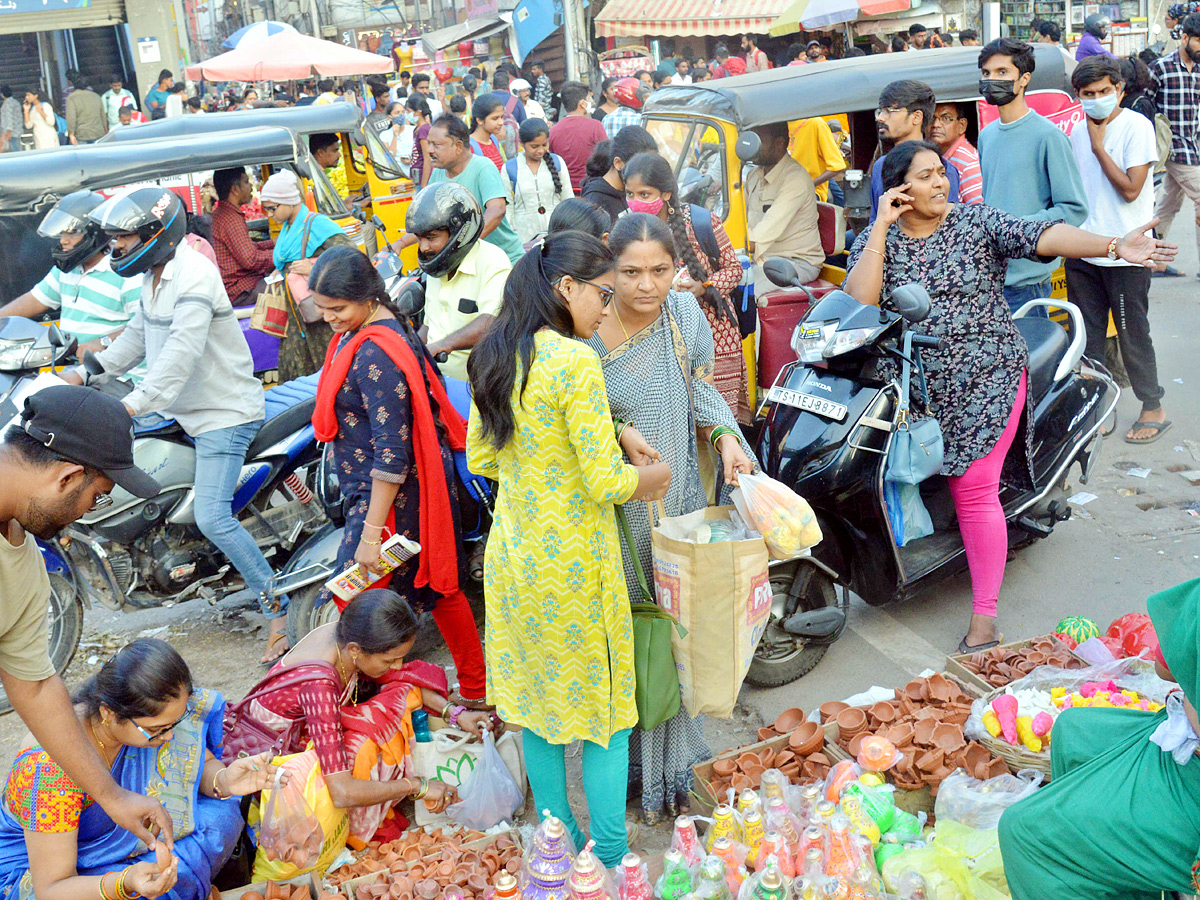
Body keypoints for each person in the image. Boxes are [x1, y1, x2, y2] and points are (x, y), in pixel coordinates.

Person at [843, 141, 1173, 651]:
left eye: (941, 173)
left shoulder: (974, 223)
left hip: (988, 373)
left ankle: (985, 616)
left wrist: (1113, 246)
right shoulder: (878, 237)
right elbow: (859, 301)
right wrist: (881, 229)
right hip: (918, 385)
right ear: (898, 189)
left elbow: (1043, 234)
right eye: (925, 176)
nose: (940, 183)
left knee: (971, 487)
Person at [467, 229, 671, 863]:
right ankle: (608, 856)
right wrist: (653, 478)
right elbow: (607, 482)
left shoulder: (497, 353)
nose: (607, 309)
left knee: (540, 714)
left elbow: (483, 456)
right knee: (608, 719)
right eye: (603, 294)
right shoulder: (574, 359)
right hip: (577, 564)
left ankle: (557, 848)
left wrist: (602, 430)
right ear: (566, 288)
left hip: (515, 559)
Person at [64, 188, 292, 664]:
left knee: (212, 515)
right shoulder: (155, 276)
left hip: (223, 414)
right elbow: (138, 336)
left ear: (155, 235)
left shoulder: (194, 275)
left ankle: (278, 611)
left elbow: (178, 359)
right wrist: (92, 368)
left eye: (123, 239)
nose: (116, 249)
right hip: (181, 412)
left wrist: (129, 405)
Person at [585, 213, 755, 822]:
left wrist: (728, 435)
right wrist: (618, 430)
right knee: (633, 643)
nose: (647, 286)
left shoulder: (684, 318)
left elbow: (702, 390)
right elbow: (570, 422)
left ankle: (675, 769)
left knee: (677, 639)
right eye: (631, 272)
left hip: (679, 506)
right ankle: (631, 770)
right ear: (610, 267)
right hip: (614, 519)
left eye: (660, 270)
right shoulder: (587, 334)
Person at [0, 385, 177, 854]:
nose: (85, 514)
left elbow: (34, 684)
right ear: (67, 476)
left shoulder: (22, 558)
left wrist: (110, 794)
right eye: (96, 497)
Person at [307, 249, 488, 698]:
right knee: (441, 589)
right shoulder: (382, 327)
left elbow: (392, 454)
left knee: (355, 603)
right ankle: (476, 690)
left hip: (392, 500)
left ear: (367, 298)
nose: (327, 318)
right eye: (322, 308)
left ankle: (371, 705)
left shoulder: (376, 353)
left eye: (337, 309)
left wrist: (371, 535)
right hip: (404, 493)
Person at [0, 638, 274, 900]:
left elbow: (198, 764)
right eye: (156, 731)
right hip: (52, 871)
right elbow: (52, 889)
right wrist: (125, 882)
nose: (167, 738)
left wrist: (225, 781)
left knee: (221, 816)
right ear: (108, 713)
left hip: (129, 843)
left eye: (174, 725)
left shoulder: (157, 715)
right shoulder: (48, 770)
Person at [998, 577, 1200, 900]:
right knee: (1071, 732)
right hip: (1183, 739)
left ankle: (1065, 856)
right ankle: (1106, 873)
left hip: (1191, 783)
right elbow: (1170, 661)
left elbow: (1167, 666)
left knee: (1021, 833)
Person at [235, 590, 491, 843]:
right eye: (391, 659)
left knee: (400, 692)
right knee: (368, 739)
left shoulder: (346, 635)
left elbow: (401, 680)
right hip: (271, 770)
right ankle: (358, 829)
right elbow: (343, 791)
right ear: (356, 650)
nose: (398, 666)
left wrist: (454, 714)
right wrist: (418, 786)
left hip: (306, 729)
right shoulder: (320, 685)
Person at [1067, 57, 1169, 444]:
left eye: (1104, 92)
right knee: (1088, 336)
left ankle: (1153, 405)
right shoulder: (1076, 132)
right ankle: (1101, 405)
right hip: (1084, 249)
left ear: (1120, 90)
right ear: (1077, 96)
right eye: (1088, 94)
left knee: (1132, 333)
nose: (1096, 100)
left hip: (1129, 252)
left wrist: (1098, 148)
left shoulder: (1136, 127)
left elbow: (1130, 188)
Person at [621, 153, 748, 424]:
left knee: (716, 418)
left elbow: (734, 270)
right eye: (630, 194)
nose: (636, 202)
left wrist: (704, 287)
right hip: (657, 335)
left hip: (716, 333)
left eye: (645, 194)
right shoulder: (629, 229)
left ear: (666, 194)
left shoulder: (702, 222)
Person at [978, 38, 1089, 312]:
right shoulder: (986, 135)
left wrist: (1020, 229)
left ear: (1024, 78)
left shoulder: (1048, 136)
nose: (992, 79)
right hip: (991, 280)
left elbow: (1073, 209)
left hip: (1029, 282)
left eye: (1002, 72)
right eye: (986, 73)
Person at [0, 191, 144, 366]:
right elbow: (33, 300)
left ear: (94, 233)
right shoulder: (65, 271)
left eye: (72, 233)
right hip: (73, 367)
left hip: (116, 374)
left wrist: (104, 342)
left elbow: (143, 327)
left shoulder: (125, 273)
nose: (63, 241)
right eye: (62, 234)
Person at [407, 183, 512, 381]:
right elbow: (430, 326)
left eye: (431, 237)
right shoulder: (436, 268)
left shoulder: (493, 261)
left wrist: (443, 345)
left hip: (478, 386)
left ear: (459, 232)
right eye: (419, 238)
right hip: (438, 382)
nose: (424, 247)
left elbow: (491, 322)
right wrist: (411, 349)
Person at [259, 170, 352, 378]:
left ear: (289, 202)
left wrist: (313, 268)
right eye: (266, 209)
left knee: (327, 371)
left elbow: (349, 258)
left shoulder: (318, 225)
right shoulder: (287, 228)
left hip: (318, 316)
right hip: (294, 320)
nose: (269, 214)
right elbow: (285, 261)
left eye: (273, 208)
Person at [397, 115, 524, 265]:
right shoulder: (438, 172)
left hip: (504, 260)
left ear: (457, 146)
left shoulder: (483, 167)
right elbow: (427, 222)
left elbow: (497, 209)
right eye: (429, 144)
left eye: (436, 145)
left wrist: (462, 245)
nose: (429, 150)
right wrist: (399, 244)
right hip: (468, 263)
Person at [745, 122, 824, 296]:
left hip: (796, 262)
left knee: (746, 289)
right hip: (762, 259)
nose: (753, 148)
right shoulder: (753, 175)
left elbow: (756, 239)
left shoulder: (795, 179)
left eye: (760, 142)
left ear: (779, 143)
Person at [1148, 13, 1200, 277]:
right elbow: (1144, 105)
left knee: (1167, 205)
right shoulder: (1161, 67)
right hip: (1173, 149)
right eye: (1199, 41)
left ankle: (1154, 260)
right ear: (1184, 37)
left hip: (1193, 145)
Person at [870, 80, 962, 221]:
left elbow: (947, 226)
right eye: (880, 111)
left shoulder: (943, 169)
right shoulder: (880, 166)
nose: (881, 118)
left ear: (916, 117)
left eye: (889, 111)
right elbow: (876, 222)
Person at [210, 167, 275, 308]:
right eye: (246, 182)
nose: (251, 186)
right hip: (240, 290)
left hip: (239, 286)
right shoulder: (230, 219)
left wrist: (273, 243)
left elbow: (246, 248)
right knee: (289, 287)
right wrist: (281, 254)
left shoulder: (223, 214)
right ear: (235, 189)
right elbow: (250, 259)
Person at [504, 118, 572, 241]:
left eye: (544, 145)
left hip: (556, 234)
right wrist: (512, 237)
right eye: (534, 146)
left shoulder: (558, 162)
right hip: (523, 237)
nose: (540, 150)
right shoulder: (510, 168)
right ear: (522, 144)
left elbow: (568, 200)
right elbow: (508, 209)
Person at [581, 126, 658, 227]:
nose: (645, 174)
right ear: (618, 163)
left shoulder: (629, 190)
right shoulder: (595, 200)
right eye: (639, 168)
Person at [550, 81, 608, 197]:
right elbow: (606, 157)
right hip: (591, 191)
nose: (591, 102)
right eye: (588, 99)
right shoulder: (595, 126)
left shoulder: (553, 130)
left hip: (564, 192)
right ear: (582, 103)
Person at [930, 102, 983, 203]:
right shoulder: (939, 156)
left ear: (962, 125)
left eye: (945, 118)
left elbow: (979, 212)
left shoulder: (968, 163)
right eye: (932, 118)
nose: (935, 125)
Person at [789, 116, 847, 202]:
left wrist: (809, 185)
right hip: (783, 190)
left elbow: (837, 166)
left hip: (809, 193)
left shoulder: (816, 124)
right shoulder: (777, 123)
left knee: (839, 197)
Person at [469, 94, 506, 171]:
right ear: (479, 120)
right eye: (495, 118)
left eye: (502, 117)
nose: (501, 122)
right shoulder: (469, 147)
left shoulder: (494, 140)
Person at [64, 75, 106, 144]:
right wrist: (105, 129)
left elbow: (71, 118)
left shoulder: (71, 98)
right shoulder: (96, 96)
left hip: (82, 135)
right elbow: (103, 116)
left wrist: (71, 134)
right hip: (98, 133)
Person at [0, 85, 21, 152]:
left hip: (10, 133)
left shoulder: (7, 104)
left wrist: (8, 132)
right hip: (17, 130)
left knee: (13, 151)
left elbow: (9, 118)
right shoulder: (16, 102)